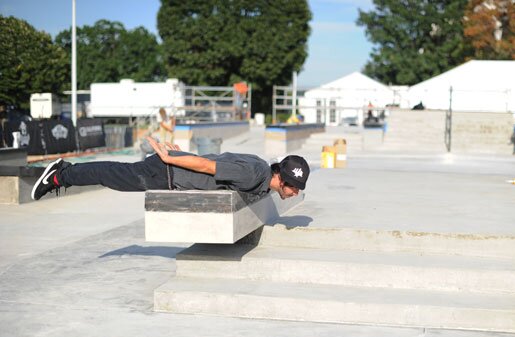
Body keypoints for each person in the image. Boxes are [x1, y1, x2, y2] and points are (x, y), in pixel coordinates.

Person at [31, 137, 310, 201]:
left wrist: (178, 154)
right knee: (112, 175)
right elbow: (207, 165)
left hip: (174, 170)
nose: (295, 192)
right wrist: (170, 158)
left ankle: (62, 174)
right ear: (281, 178)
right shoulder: (254, 175)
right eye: (293, 187)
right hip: (166, 172)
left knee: (114, 176)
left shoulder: (261, 169)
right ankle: (60, 174)